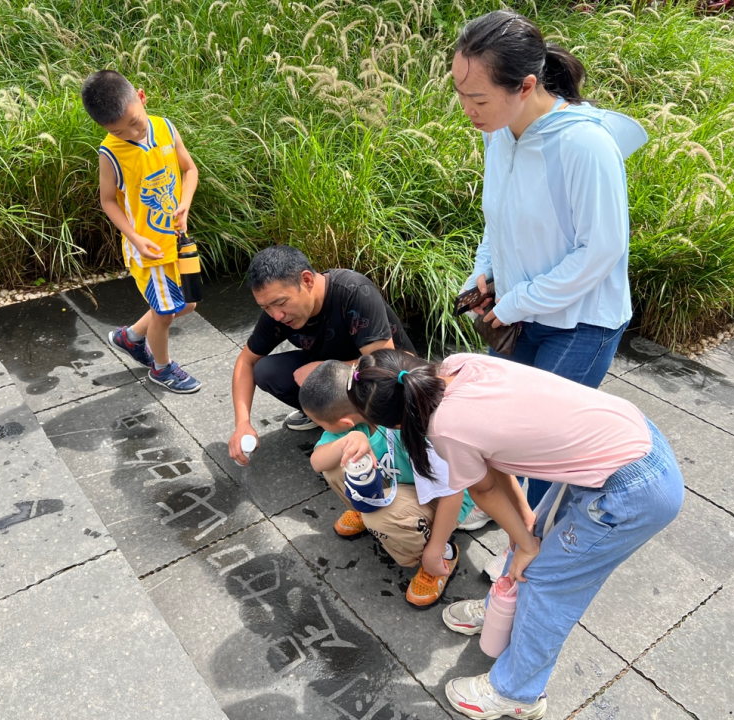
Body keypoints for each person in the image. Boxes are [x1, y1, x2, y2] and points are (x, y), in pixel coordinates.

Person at [347, 349, 683, 720]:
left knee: (547, 580)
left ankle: (518, 693)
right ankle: (500, 613)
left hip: (631, 488)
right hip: (621, 437)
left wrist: (525, 543)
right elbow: (493, 455)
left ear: (396, 424)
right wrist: (525, 520)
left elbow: (485, 490)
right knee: (532, 545)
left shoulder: (444, 427)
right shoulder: (460, 365)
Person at [452, 10, 649, 539]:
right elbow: (498, 220)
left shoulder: (584, 146)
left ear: (527, 85)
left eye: (479, 99)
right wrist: (484, 275)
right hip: (522, 311)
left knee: (539, 445)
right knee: (501, 424)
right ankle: (499, 507)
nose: (467, 110)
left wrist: (512, 304)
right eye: (461, 94)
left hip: (580, 324)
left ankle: (524, 550)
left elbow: (600, 252)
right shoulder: (500, 132)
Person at [299, 360, 482, 607]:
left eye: (320, 424)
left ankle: (443, 555)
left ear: (344, 422)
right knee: (336, 462)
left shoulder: (412, 425)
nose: (321, 429)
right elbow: (318, 462)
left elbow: (453, 493)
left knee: (378, 518)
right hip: (403, 485)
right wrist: (347, 442)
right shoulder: (356, 417)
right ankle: (365, 511)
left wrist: (434, 550)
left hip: (441, 499)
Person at [228, 245, 415, 464]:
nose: (276, 315)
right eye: (265, 307)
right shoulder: (276, 311)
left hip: (389, 378)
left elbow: (382, 363)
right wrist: (242, 423)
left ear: (307, 280)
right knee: (266, 371)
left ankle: (368, 424)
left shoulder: (353, 291)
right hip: (335, 368)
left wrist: (322, 370)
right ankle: (329, 418)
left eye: (280, 303)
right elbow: (246, 361)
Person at [80, 70, 201, 393]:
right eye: (119, 131)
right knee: (165, 312)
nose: (131, 133)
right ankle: (161, 369)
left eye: (135, 122)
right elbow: (108, 201)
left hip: (175, 240)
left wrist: (185, 204)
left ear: (142, 98)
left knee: (188, 304)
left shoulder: (165, 128)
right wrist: (135, 237)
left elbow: (189, 170)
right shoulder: (110, 153)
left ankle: (130, 337)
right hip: (147, 250)